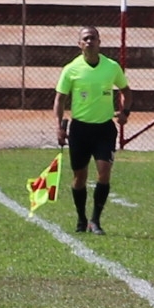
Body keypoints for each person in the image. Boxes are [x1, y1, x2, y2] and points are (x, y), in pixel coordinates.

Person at [54, 26, 131, 236]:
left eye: (93, 38)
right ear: (79, 44)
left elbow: (126, 91)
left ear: (99, 42)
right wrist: (59, 127)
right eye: (86, 38)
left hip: (104, 129)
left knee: (104, 172)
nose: (90, 41)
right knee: (79, 177)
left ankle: (95, 220)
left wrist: (125, 112)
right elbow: (60, 99)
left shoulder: (111, 67)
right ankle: (81, 218)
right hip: (80, 129)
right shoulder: (71, 69)